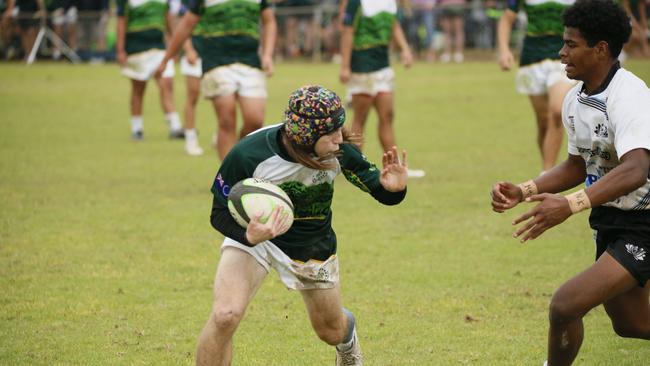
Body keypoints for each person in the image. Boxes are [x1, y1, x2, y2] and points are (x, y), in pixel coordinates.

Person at [491, 1, 650, 365]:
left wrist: (571, 204)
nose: (561, 53)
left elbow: (636, 169)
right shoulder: (574, 100)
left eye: (571, 45)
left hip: (644, 223)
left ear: (601, 49)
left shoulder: (630, 96)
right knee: (632, 323)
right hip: (611, 222)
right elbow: (577, 165)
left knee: (565, 305)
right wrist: (524, 190)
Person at [203, 85, 408, 366]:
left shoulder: (339, 152)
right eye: (331, 132)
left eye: (340, 128)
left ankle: (347, 342)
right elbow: (218, 213)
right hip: (256, 239)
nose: (340, 138)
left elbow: (380, 191)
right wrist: (247, 235)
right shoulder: (248, 155)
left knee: (331, 330)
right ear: (306, 136)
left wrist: (393, 189)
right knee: (225, 315)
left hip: (310, 244)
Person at [156, 0, 276, 160]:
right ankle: (228, 180)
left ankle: (237, 157)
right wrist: (166, 59)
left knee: (255, 120)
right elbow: (186, 25)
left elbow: (269, 22)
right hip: (216, 61)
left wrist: (267, 54)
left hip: (250, 61)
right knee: (226, 118)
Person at [339, 0, 425, 178]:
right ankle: (352, 167)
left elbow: (394, 25)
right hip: (362, 66)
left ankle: (395, 166)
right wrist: (345, 66)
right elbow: (347, 31)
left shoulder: (390, 2)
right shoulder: (356, 2)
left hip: (383, 66)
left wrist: (405, 49)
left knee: (387, 116)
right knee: (360, 118)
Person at [497, 0, 576, 174]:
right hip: (532, 60)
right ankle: (548, 170)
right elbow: (507, 19)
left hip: (563, 58)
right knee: (543, 122)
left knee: (556, 111)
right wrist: (504, 50)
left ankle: (547, 175)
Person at [116, 0, 184, 140]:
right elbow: (121, 22)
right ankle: (137, 129)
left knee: (166, 84)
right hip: (136, 50)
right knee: (138, 89)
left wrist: (173, 46)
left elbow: (168, 19)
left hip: (159, 49)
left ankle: (175, 127)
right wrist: (120, 50)